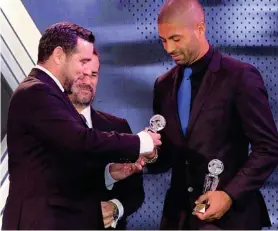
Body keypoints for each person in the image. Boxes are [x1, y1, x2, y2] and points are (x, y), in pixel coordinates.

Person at [2, 22, 160, 230]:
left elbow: (63, 165)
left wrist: (109, 175)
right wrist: (142, 141)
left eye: (92, 70)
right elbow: (80, 141)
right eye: (82, 61)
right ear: (59, 56)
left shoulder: (46, 92)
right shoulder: (38, 92)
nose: (84, 73)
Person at [147, 0, 278, 229]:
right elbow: (168, 156)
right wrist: (149, 156)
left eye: (176, 39)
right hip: (179, 219)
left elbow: (268, 147)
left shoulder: (240, 77)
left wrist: (229, 194)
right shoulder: (163, 85)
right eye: (163, 40)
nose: (169, 49)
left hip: (229, 220)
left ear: (200, 29)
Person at [68, 50, 145, 229]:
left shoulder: (117, 127)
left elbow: (135, 191)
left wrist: (116, 208)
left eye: (93, 75)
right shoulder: (40, 126)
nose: (87, 82)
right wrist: (107, 175)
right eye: (80, 74)